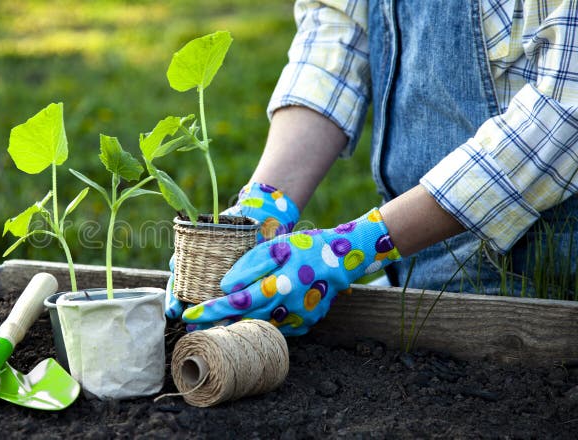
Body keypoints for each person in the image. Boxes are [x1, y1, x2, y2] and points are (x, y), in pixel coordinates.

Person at [167, 0, 578, 335]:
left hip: (537, 290)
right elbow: (336, 34)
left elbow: (563, 115)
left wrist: (359, 244)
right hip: (410, 277)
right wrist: (263, 205)